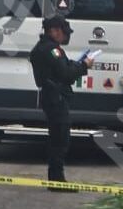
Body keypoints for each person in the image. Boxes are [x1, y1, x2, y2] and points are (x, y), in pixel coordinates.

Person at [28, 15, 94, 189]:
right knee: (59, 139)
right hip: (55, 97)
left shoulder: (48, 48)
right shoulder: (50, 49)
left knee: (59, 137)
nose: (65, 36)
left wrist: (76, 65)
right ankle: (56, 180)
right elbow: (65, 74)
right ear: (54, 31)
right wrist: (84, 66)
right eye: (63, 32)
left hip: (53, 97)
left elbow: (62, 67)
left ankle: (57, 178)